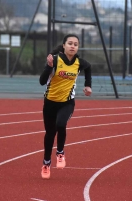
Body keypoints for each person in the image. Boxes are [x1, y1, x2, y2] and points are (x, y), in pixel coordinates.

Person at [39, 34, 92, 179]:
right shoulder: (55, 60)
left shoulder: (80, 63)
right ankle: (46, 163)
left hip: (67, 102)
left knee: (61, 124)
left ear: (78, 47)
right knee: (50, 134)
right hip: (49, 102)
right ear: (64, 45)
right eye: (70, 43)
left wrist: (88, 86)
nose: (73, 46)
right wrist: (48, 68)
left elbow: (88, 68)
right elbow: (42, 81)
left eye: (75, 44)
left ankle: (60, 153)